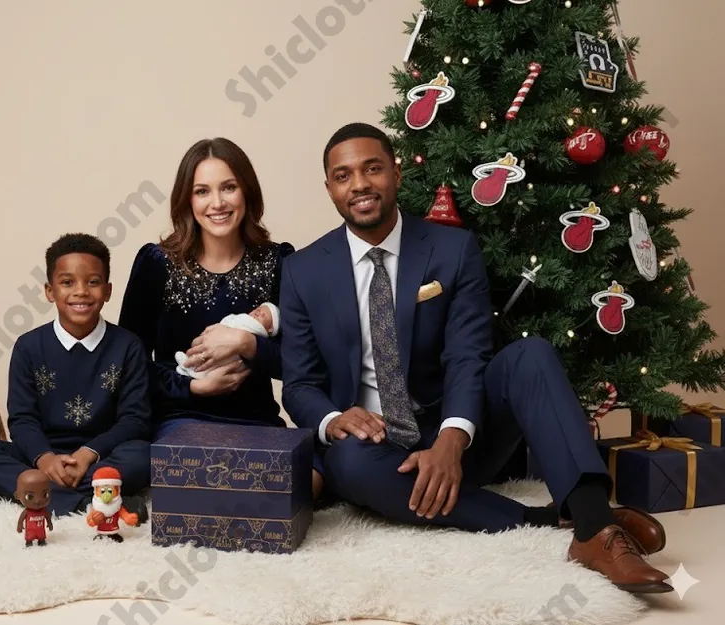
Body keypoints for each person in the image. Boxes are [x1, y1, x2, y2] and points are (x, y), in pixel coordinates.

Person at [280, 122, 673, 594]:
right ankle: (548, 518)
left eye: (373, 168)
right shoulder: (303, 270)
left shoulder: (452, 248)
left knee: (530, 355)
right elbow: (300, 384)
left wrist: (451, 440)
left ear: (396, 174)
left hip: (460, 439)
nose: (360, 184)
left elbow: (469, 354)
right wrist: (333, 420)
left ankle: (594, 527)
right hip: (375, 449)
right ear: (329, 189)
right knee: (350, 464)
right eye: (343, 176)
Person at [118, 137, 326, 500]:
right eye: (202, 191)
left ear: (247, 192)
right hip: (181, 421)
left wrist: (246, 343)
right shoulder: (156, 263)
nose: (217, 203)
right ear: (187, 199)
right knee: (214, 474)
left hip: (257, 421)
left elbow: (299, 364)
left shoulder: (278, 261)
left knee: (314, 480)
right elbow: (126, 366)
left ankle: (241, 497)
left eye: (228, 187)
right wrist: (193, 387)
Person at [0, 233, 151, 519]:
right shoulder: (29, 346)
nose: (81, 291)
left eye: (93, 282)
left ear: (108, 291)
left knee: (146, 456)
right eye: (67, 282)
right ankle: (87, 501)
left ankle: (27, 494)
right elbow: (22, 419)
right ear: (49, 291)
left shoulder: (128, 345)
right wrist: (45, 459)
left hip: (101, 456)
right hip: (40, 457)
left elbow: (135, 419)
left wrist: (88, 453)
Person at [174, 302, 279, 379]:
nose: (258, 312)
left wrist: (244, 340)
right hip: (179, 397)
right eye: (258, 309)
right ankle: (190, 366)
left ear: (270, 329)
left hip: (239, 379)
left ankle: (194, 372)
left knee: (217, 366)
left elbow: (286, 362)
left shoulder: (257, 329)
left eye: (263, 315)